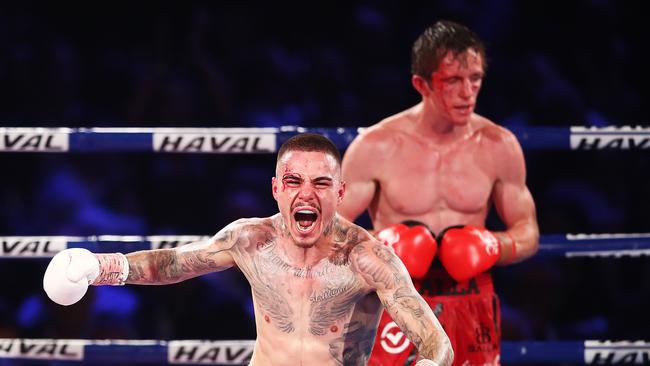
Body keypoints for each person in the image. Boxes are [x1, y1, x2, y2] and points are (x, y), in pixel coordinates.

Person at [43, 133, 453, 366]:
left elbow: (437, 343)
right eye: (293, 181)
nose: (305, 194)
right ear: (276, 189)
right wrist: (100, 265)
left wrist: (432, 365)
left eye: (321, 184)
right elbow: (172, 264)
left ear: (341, 192)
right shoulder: (251, 240)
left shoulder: (368, 258)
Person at [339, 20, 540, 366]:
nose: (467, 92)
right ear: (422, 84)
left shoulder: (499, 145)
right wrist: (379, 245)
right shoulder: (376, 146)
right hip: (395, 298)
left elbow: (527, 231)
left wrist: (493, 245)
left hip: (471, 301)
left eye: (475, 79)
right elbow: (327, 232)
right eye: (453, 81)